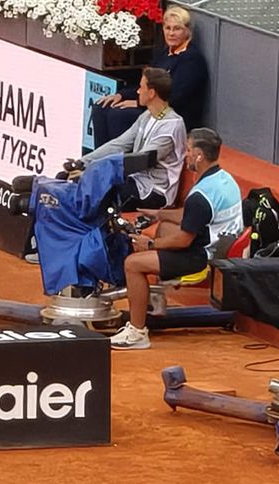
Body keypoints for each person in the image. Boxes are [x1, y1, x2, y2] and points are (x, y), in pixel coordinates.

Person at [111, 126, 243, 350]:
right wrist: (159, 214)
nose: (186, 155)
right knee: (165, 227)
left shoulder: (201, 195)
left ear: (199, 156)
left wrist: (149, 244)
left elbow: (184, 240)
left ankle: (137, 332)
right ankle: (156, 299)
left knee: (133, 264)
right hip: (218, 245)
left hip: (201, 256)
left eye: (189, 150)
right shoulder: (223, 180)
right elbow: (191, 216)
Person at [91, 6, 208, 144]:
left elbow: (175, 97)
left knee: (118, 115)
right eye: (167, 28)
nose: (171, 33)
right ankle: (101, 160)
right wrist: (121, 95)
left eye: (177, 29)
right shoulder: (164, 54)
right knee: (101, 107)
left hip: (172, 115)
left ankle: (121, 162)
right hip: (149, 105)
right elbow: (145, 83)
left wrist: (139, 103)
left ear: (187, 31)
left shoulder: (192, 59)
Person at [82, 67, 187, 209]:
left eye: (141, 87)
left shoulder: (172, 126)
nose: (137, 91)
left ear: (151, 93)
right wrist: (83, 162)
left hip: (155, 191)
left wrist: (97, 169)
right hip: (135, 181)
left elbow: (142, 160)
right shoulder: (147, 116)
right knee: (86, 185)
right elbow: (119, 144)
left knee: (97, 194)